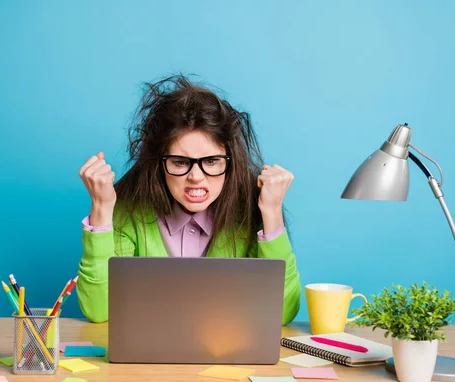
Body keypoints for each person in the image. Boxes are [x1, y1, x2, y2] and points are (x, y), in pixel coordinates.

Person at [76, 74, 301, 325]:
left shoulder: (248, 212)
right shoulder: (129, 211)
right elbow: (98, 310)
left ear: (230, 163)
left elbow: (282, 313)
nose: (196, 177)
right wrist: (101, 207)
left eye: (211, 161)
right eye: (180, 162)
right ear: (159, 164)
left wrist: (271, 213)